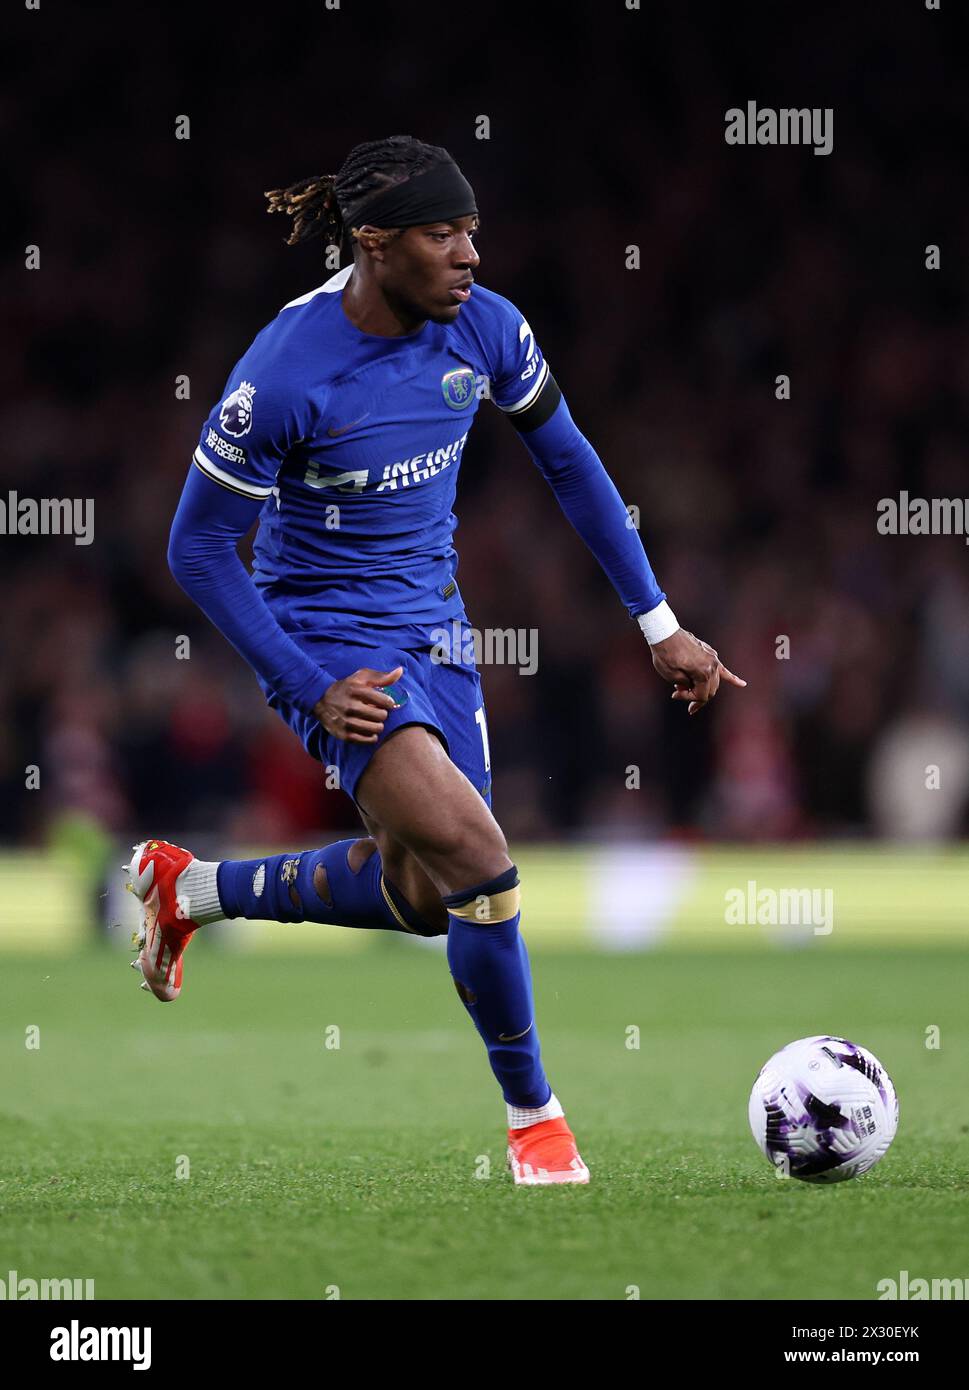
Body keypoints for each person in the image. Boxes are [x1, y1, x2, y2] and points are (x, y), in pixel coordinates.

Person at [127, 135, 745, 1186]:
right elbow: (195, 547)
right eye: (442, 234)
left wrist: (660, 624)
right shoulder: (281, 376)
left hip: (437, 631)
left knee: (425, 898)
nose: (468, 254)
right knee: (479, 858)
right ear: (373, 243)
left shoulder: (488, 330)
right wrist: (305, 680)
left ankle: (191, 892)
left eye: (472, 232)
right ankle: (536, 1122)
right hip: (323, 635)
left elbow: (572, 462)